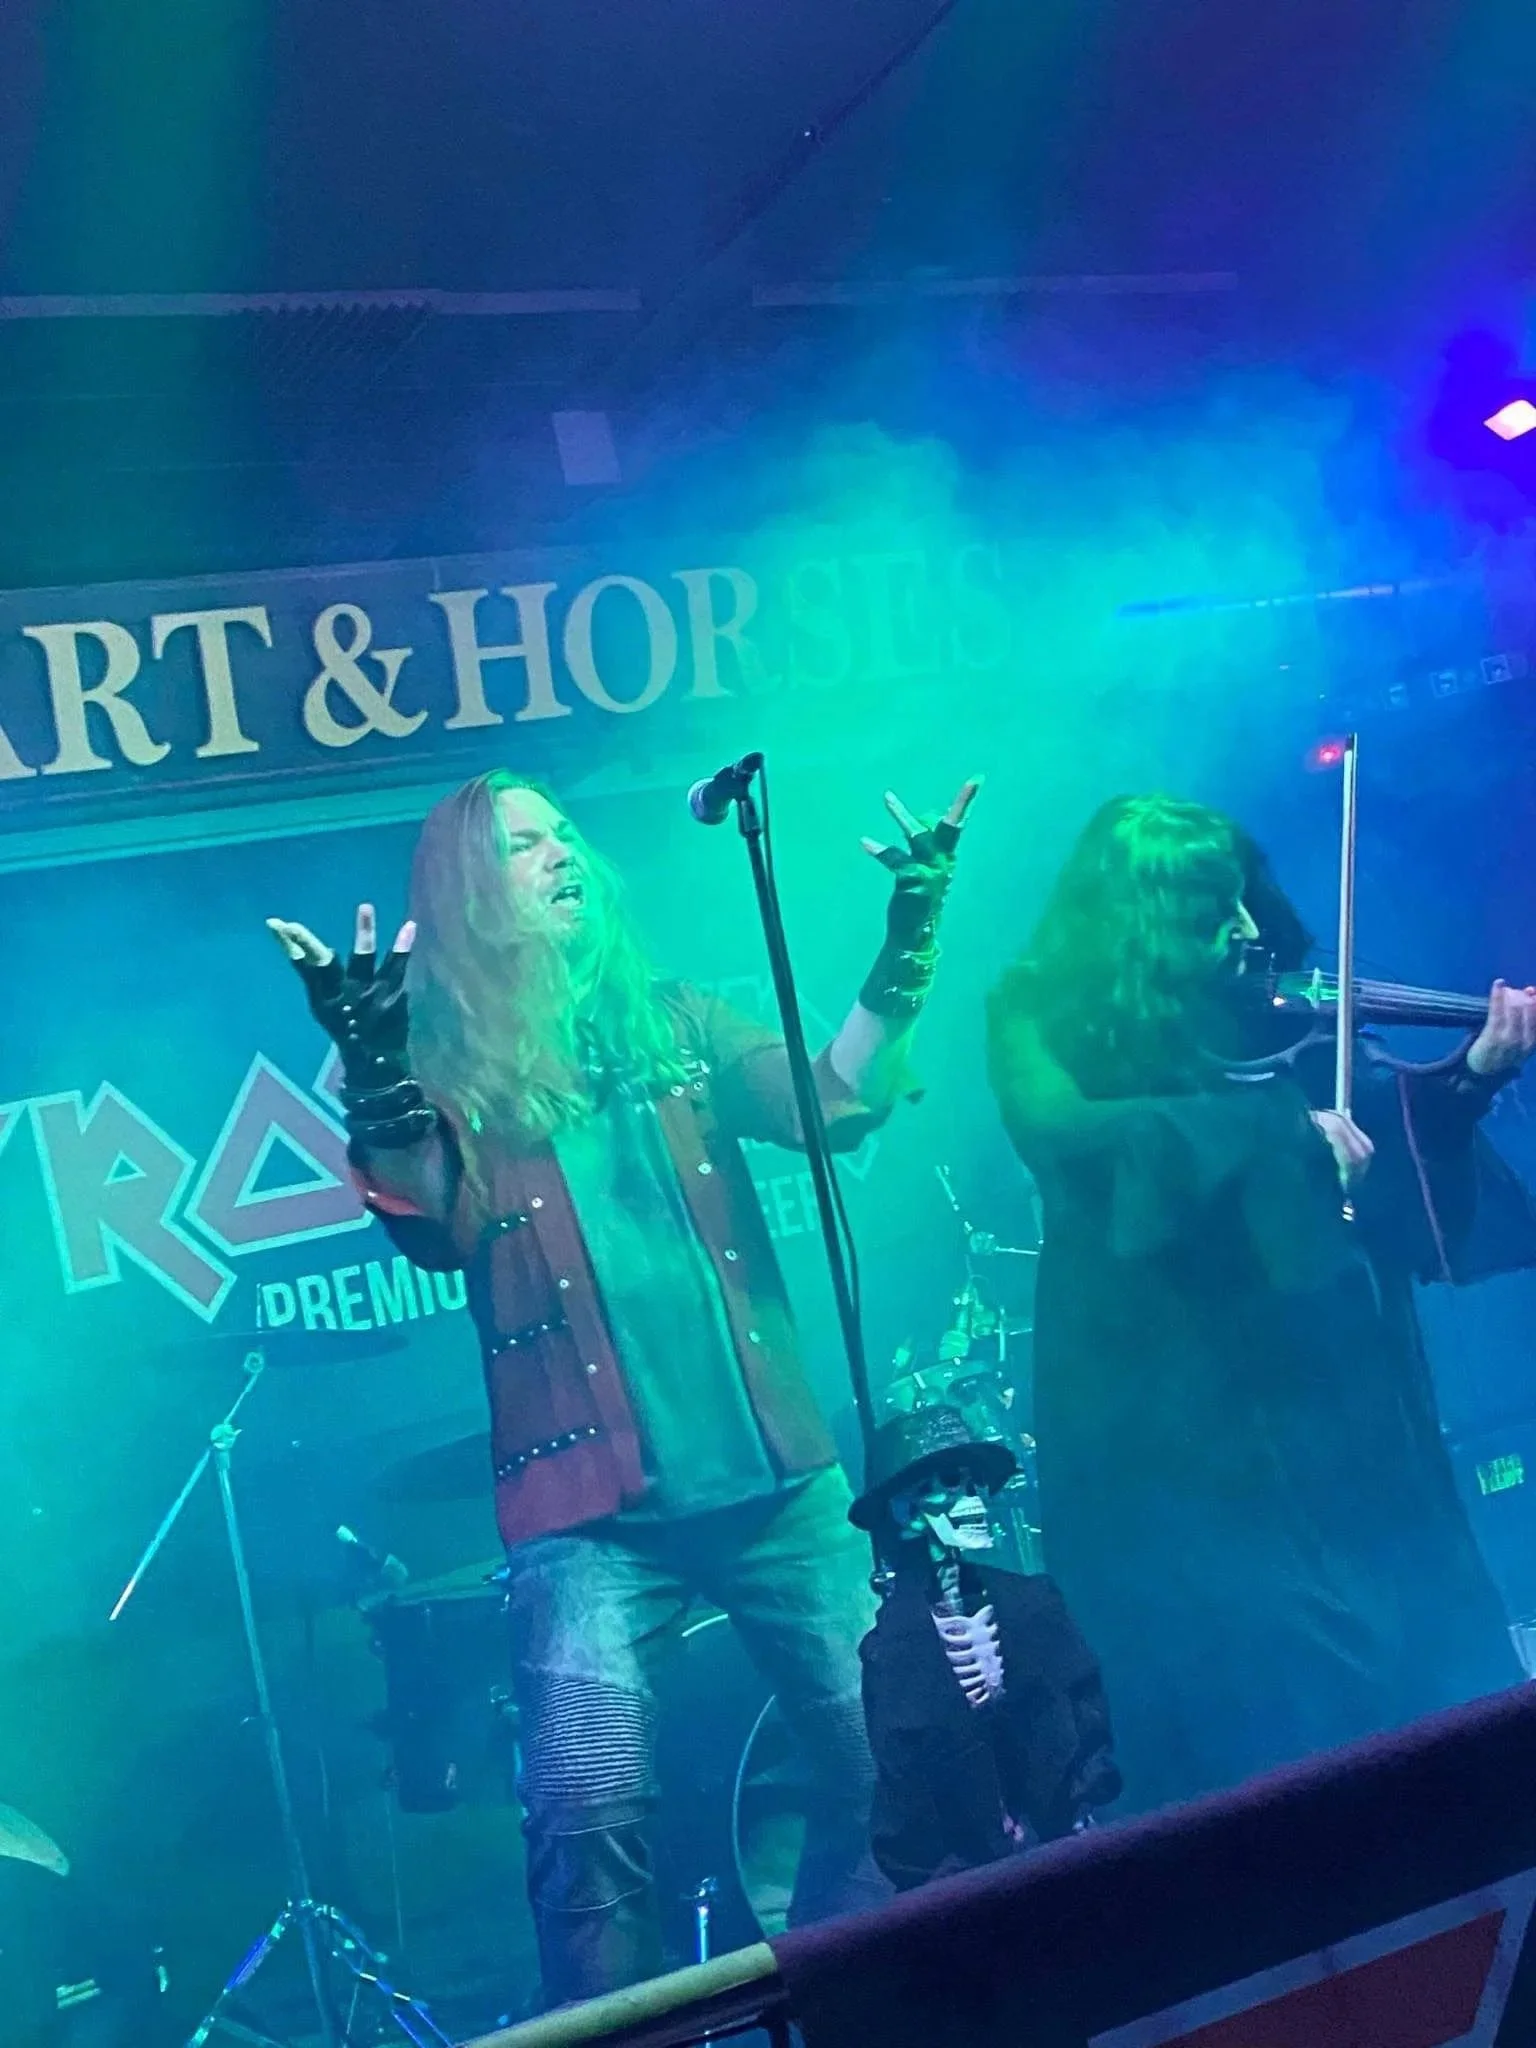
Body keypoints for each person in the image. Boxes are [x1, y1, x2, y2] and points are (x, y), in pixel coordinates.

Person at [268, 766, 977, 2005]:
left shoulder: (678, 1024)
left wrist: (907, 932)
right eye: (522, 843)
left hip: (775, 1483)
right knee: (591, 1824)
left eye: (563, 833)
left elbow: (841, 1098)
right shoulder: (449, 1074)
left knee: (901, 1757)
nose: (560, 854)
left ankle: (828, 1998)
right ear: (471, 893)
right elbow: (427, 1224)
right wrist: (376, 1065)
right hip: (589, 1520)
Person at [985, 793, 1536, 1815]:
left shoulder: (1272, 1009)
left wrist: (1467, 1077)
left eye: (1242, 904)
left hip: (1332, 1395)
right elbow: (1072, 1134)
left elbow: (1376, 1127)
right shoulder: (1034, 1011)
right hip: (1170, 1417)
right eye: (1209, 915)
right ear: (1140, 922)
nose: (1245, 934)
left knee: (1412, 1662)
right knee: (1261, 1711)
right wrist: (1277, 1132)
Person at [848, 1406, 1119, 1893]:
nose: (973, 1501)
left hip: (1060, 1835)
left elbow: (1082, 1699)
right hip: (968, 1869)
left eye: (974, 1485)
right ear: (906, 1509)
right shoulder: (891, 1654)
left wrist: (1083, 1793)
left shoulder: (1032, 1603)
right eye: (950, 1484)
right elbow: (903, 1778)